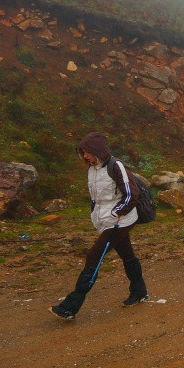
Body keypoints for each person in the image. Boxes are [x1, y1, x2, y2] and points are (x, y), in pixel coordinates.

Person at [49, 132, 148, 320]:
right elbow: (97, 197)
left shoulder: (116, 166)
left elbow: (131, 194)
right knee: (127, 254)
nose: (85, 156)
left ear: (98, 150)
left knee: (94, 256)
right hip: (105, 220)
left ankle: (70, 306)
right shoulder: (92, 169)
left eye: (87, 151)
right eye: (82, 152)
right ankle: (139, 292)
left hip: (120, 221)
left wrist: (117, 212)